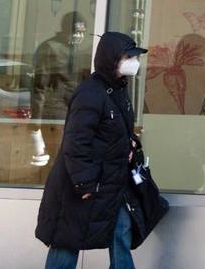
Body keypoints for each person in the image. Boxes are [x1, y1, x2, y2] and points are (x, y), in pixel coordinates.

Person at [36, 31, 149, 269]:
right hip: (82, 186)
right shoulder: (90, 93)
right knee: (67, 242)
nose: (134, 62)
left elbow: (118, 131)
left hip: (112, 182)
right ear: (112, 59)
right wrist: (85, 184)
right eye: (128, 56)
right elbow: (76, 143)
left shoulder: (119, 90)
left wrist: (130, 145)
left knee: (121, 233)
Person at [29, 12, 93, 166]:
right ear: (66, 29)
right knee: (58, 160)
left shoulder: (74, 50)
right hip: (55, 113)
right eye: (76, 31)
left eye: (82, 32)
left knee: (71, 159)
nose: (78, 36)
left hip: (74, 113)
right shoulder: (50, 48)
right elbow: (39, 87)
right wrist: (36, 124)